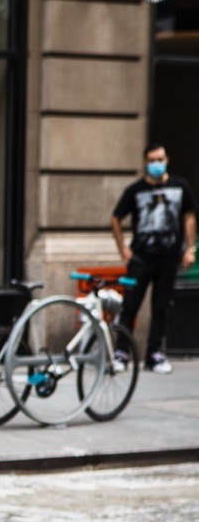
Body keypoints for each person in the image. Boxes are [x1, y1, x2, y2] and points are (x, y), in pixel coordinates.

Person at [111, 143, 197, 374]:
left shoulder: (180, 187)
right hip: (141, 258)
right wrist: (123, 249)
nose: (156, 164)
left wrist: (190, 249)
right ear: (145, 162)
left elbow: (189, 217)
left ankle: (155, 354)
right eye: (152, 160)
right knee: (130, 306)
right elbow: (116, 218)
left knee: (162, 307)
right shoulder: (136, 190)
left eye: (160, 159)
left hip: (168, 258)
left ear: (167, 159)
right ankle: (121, 352)